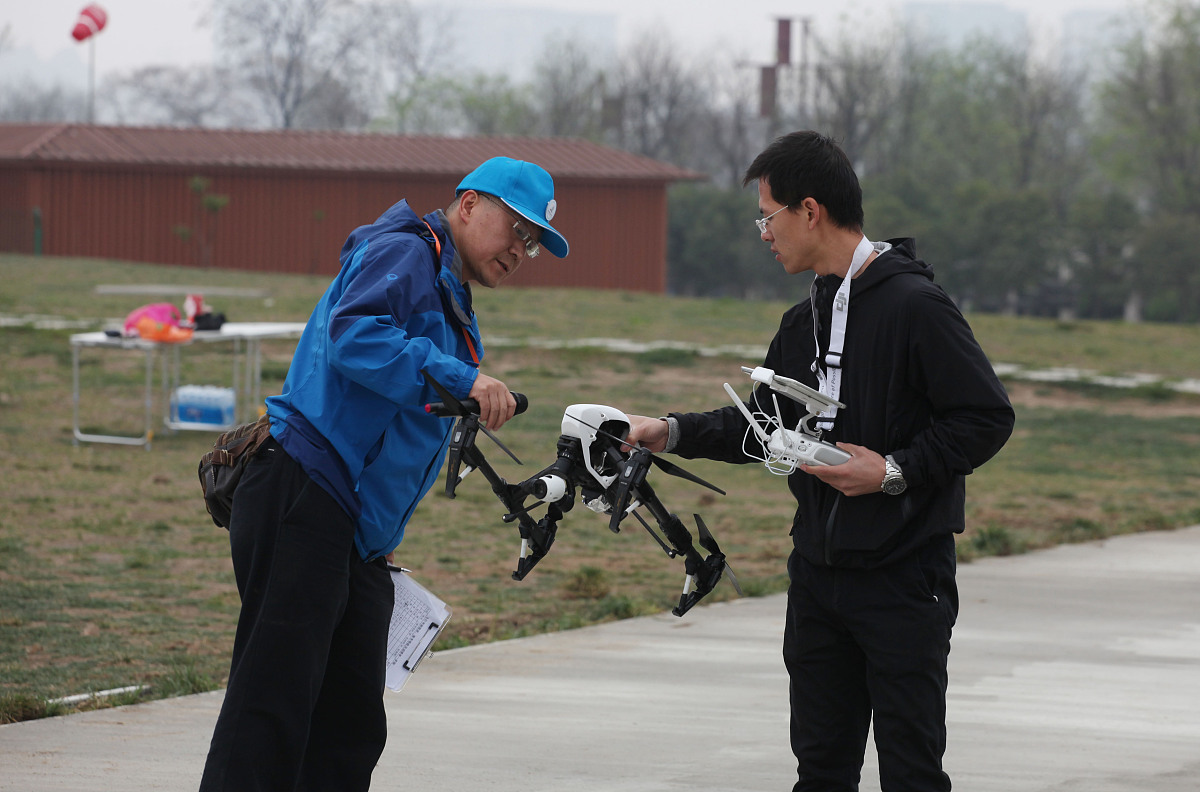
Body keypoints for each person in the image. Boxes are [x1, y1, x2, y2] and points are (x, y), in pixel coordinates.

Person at [624, 131, 1014, 792]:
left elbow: (985, 417)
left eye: (767, 216)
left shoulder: (917, 307)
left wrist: (892, 470)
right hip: (817, 579)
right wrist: (665, 431)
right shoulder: (801, 323)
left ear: (810, 210)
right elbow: (763, 428)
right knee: (821, 773)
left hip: (904, 579)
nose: (763, 233)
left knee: (912, 774)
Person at [199, 156, 570, 792]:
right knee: (273, 707)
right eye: (517, 227)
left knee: (349, 724)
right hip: (304, 493)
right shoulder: (406, 254)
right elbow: (354, 336)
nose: (521, 248)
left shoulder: (447, 287)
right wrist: (465, 379)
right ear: (471, 203)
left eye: (533, 242)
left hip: (351, 529)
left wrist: (379, 529)